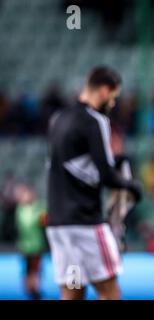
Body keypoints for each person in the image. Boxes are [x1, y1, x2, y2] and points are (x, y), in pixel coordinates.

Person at [46, 66, 142, 300]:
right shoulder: (95, 120)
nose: (112, 104)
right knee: (109, 292)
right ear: (104, 90)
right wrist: (132, 187)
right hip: (86, 223)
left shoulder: (58, 119)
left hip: (58, 223)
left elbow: (75, 165)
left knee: (71, 293)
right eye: (113, 97)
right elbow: (107, 175)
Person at [15, 184, 47, 300]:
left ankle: (35, 290)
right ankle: (30, 290)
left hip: (36, 246)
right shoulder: (19, 210)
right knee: (27, 271)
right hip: (24, 247)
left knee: (36, 270)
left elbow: (44, 221)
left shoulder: (38, 208)